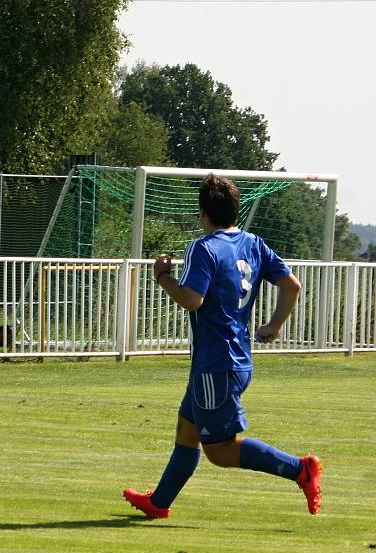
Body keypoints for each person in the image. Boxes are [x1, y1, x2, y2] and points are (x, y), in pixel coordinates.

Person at [123, 173, 322, 519]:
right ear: (235, 211)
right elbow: (292, 285)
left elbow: (193, 299)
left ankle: (299, 469)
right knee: (187, 430)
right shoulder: (254, 243)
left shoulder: (204, 247)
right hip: (235, 359)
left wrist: (162, 277)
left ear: (203, 214)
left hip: (217, 364)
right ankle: (159, 503)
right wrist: (273, 326)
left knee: (220, 451)